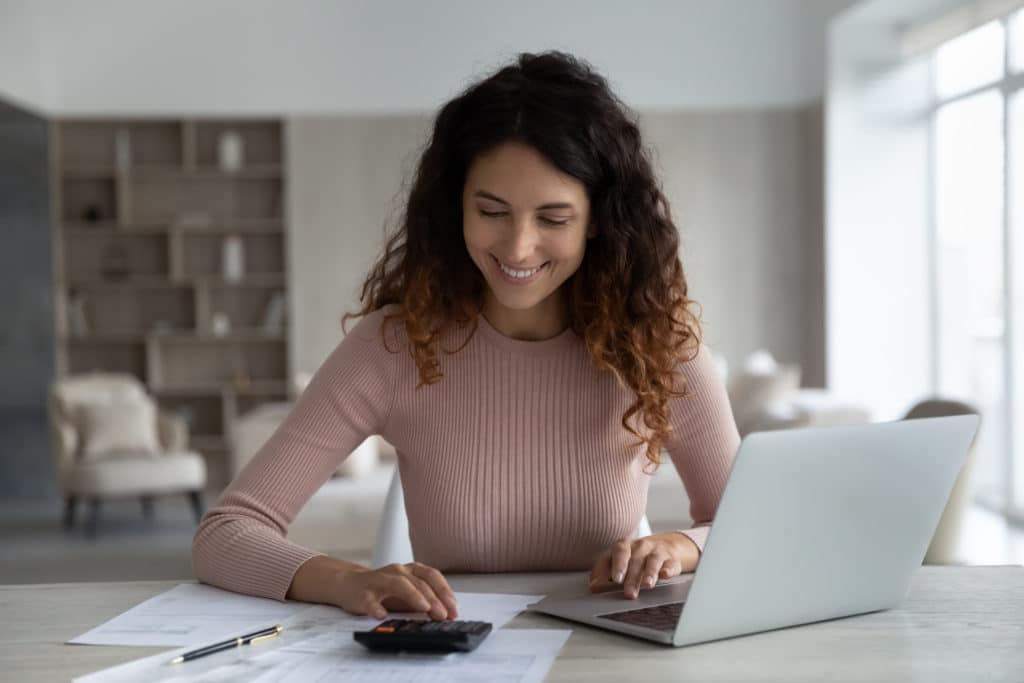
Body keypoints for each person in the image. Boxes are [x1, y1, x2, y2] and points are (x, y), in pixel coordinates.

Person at [192, 50, 740, 622]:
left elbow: (750, 529)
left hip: (607, 655)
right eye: (491, 211)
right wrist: (344, 579)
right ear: (455, 204)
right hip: (457, 654)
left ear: (598, 220)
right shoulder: (395, 346)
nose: (518, 247)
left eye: (553, 218)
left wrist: (684, 546)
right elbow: (227, 532)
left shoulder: (659, 349)